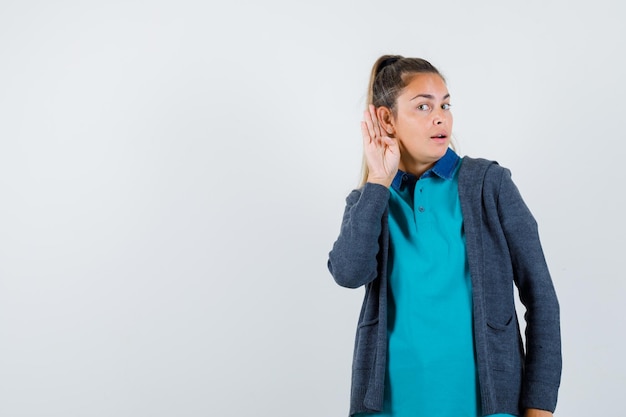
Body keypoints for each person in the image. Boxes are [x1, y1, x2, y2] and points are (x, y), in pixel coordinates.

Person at [327, 55, 561, 417]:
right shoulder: (368, 201)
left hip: (487, 405)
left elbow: (542, 298)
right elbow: (348, 273)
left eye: (445, 105)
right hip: (387, 407)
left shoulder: (489, 185)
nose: (441, 118)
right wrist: (377, 182)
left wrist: (539, 406)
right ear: (387, 119)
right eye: (423, 106)